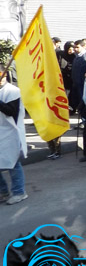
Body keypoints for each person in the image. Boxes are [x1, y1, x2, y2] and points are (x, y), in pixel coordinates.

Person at [0, 65, 27, 205]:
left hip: (10, 131)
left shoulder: (12, 91)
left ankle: (19, 192)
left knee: (13, 163)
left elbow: (11, 112)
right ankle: (3, 192)